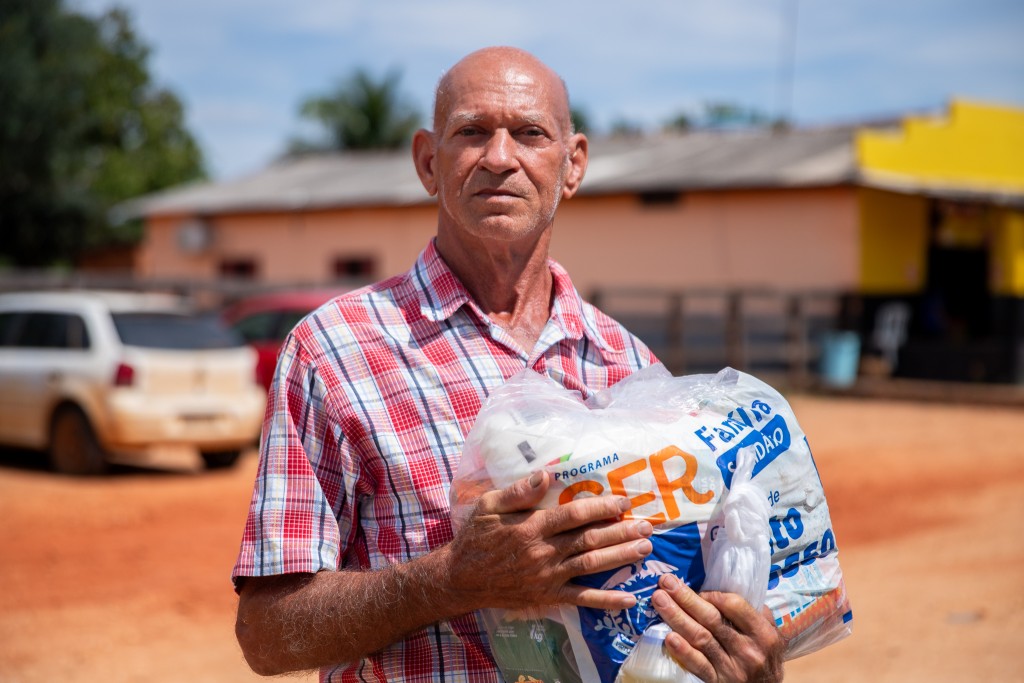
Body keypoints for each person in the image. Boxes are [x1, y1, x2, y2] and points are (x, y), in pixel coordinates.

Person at [232, 46, 784, 682]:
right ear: (428, 163)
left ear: (572, 164)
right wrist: (449, 581)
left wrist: (742, 661)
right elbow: (265, 635)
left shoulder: (632, 368)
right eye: (472, 132)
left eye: (529, 133)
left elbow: (684, 611)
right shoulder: (335, 352)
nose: (499, 157)